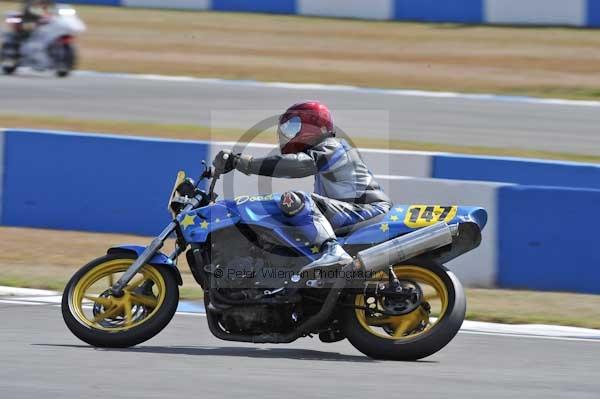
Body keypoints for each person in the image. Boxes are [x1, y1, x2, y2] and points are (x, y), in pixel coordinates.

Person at [213, 101, 392, 271]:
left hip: (369, 210)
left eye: (292, 126)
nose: (286, 134)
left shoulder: (334, 147)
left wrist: (243, 162)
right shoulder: (324, 152)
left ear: (311, 127)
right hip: (352, 211)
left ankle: (333, 251)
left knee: (295, 200)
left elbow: (300, 165)